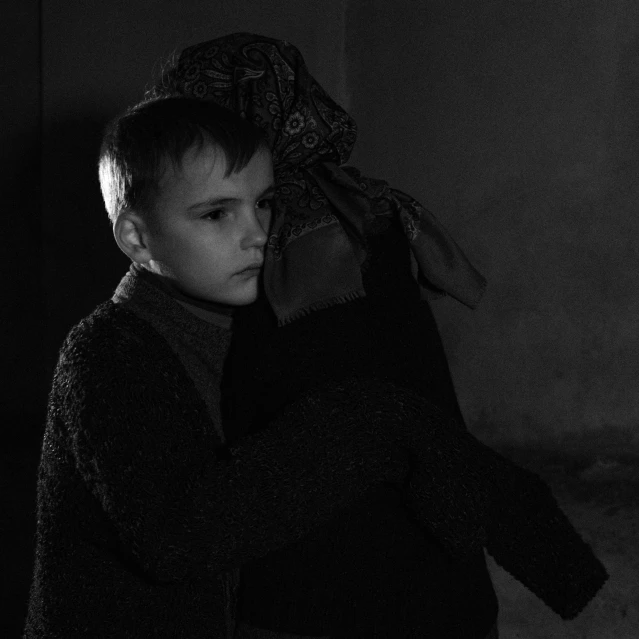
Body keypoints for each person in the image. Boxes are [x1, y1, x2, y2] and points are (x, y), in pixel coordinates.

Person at [147, 33, 609, 639]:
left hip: (328, 576)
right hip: (431, 549)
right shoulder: (362, 207)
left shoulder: (253, 240)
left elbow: (281, 416)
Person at [23, 95, 534, 639]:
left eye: (263, 203)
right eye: (217, 213)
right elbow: (180, 538)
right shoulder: (105, 352)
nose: (257, 234)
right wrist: (362, 428)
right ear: (138, 239)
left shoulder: (239, 326)